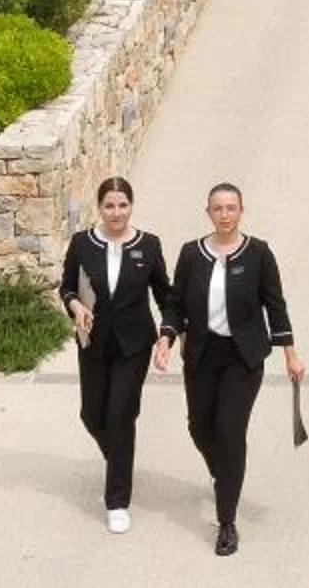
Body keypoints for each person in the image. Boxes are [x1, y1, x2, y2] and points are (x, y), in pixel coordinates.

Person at [172, 182, 302, 556]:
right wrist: (167, 336)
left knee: (230, 432)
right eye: (218, 208)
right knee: (199, 428)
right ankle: (225, 474)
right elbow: (174, 302)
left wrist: (290, 354)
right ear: (208, 212)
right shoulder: (191, 254)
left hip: (243, 358)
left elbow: (276, 306)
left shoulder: (259, 254)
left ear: (241, 210)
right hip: (201, 354)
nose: (225, 214)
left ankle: (226, 519)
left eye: (231, 208)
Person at [59, 177, 177, 534]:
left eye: (122, 205)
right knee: (92, 415)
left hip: (133, 346)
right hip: (93, 343)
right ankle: (121, 463)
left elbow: (166, 297)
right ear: (100, 208)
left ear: (131, 206)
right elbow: (65, 287)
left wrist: (167, 336)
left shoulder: (149, 245)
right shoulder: (82, 244)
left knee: (120, 415)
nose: (116, 212)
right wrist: (75, 305)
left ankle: (117, 500)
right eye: (109, 205)